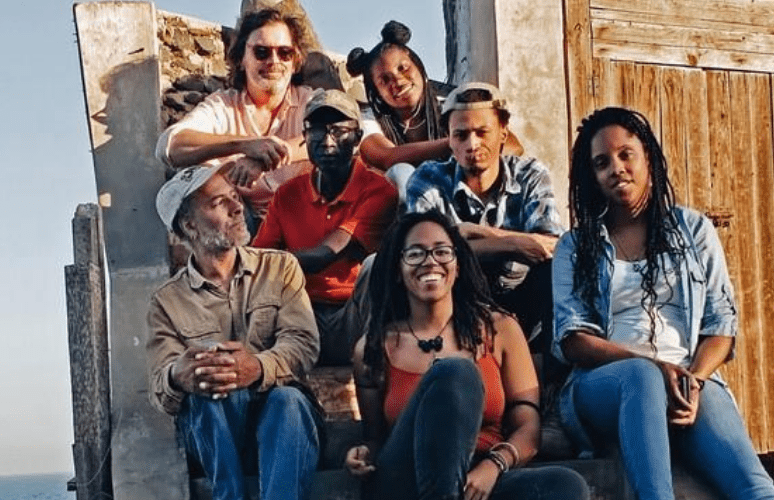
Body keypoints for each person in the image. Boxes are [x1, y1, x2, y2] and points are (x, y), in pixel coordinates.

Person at [552, 107, 774, 500]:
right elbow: (573, 339)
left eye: (626, 155)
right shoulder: (576, 246)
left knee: (754, 487)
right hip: (605, 385)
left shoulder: (693, 230)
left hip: (689, 377)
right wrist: (655, 368)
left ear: (648, 159)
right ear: (592, 176)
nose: (616, 168)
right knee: (640, 376)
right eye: (602, 163)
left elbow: (721, 323)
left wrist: (694, 380)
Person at [342, 211, 590, 500]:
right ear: (398, 269)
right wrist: (361, 454)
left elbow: (528, 429)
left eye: (442, 252)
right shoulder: (373, 347)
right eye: (415, 254)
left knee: (566, 486)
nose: (430, 261)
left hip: (479, 478)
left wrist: (493, 465)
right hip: (407, 481)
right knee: (456, 373)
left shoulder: (500, 330)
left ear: (458, 266)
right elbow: (376, 439)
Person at [147, 164, 322, 500]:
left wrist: (254, 368)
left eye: (233, 196)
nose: (237, 206)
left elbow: (303, 345)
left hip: (286, 427)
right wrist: (177, 375)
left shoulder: (280, 267)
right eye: (217, 203)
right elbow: (160, 386)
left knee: (287, 400)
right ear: (189, 226)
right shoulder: (166, 302)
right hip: (218, 437)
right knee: (206, 382)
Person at [156, 8, 378, 221]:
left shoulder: (311, 101)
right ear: (242, 58)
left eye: (284, 53)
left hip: (305, 217)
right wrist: (245, 145)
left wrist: (266, 157)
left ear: (295, 62)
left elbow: (351, 134)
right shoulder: (223, 106)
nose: (274, 61)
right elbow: (169, 146)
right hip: (244, 222)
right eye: (262, 52)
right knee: (191, 183)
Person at [405, 82, 563, 353]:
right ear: (449, 138)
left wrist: (477, 234)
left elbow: (548, 247)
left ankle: (551, 371)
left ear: (503, 132)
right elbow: (426, 252)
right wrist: (512, 245)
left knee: (557, 272)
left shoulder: (530, 174)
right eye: (461, 135)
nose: (472, 144)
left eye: (482, 132)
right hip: (458, 301)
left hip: (522, 300)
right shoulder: (428, 179)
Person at [252, 89, 397, 365]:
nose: (328, 141)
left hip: (353, 315)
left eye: (339, 130)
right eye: (317, 131)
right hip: (302, 312)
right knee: (256, 282)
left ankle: (373, 365)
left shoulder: (378, 191)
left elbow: (325, 255)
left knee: (373, 266)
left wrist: (248, 260)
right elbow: (260, 257)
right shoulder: (287, 193)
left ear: (357, 140)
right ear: (305, 139)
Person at [346, 21, 523, 201]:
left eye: (403, 68)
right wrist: (457, 142)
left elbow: (512, 147)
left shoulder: (452, 107)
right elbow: (388, 157)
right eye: (385, 80)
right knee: (402, 172)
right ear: (375, 90)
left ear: (419, 67)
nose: (398, 82)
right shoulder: (368, 120)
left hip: (458, 202)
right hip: (404, 216)